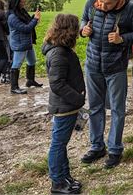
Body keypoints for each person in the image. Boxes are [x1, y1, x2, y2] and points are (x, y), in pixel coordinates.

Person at [79, 0, 133, 168]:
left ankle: (115, 149)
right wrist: (83, 30)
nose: (101, 6)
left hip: (116, 67)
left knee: (117, 109)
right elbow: (83, 20)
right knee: (95, 108)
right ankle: (97, 146)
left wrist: (122, 39)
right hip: (93, 65)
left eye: (107, 3)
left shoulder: (130, 9)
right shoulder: (92, 2)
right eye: (100, 1)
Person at [42, 14, 85, 195]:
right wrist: (78, 99)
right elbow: (57, 84)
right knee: (58, 145)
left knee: (62, 143)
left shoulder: (60, 48)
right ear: (70, 30)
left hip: (67, 106)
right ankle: (58, 183)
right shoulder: (59, 53)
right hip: (65, 107)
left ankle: (65, 176)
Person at [7, 0, 42, 95]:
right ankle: (14, 87)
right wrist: (35, 19)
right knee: (17, 64)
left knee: (32, 61)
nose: (24, 3)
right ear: (16, 2)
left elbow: (27, 23)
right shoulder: (12, 16)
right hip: (19, 43)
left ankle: (30, 81)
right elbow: (25, 28)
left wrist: (34, 18)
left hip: (27, 41)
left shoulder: (21, 12)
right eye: (22, 1)